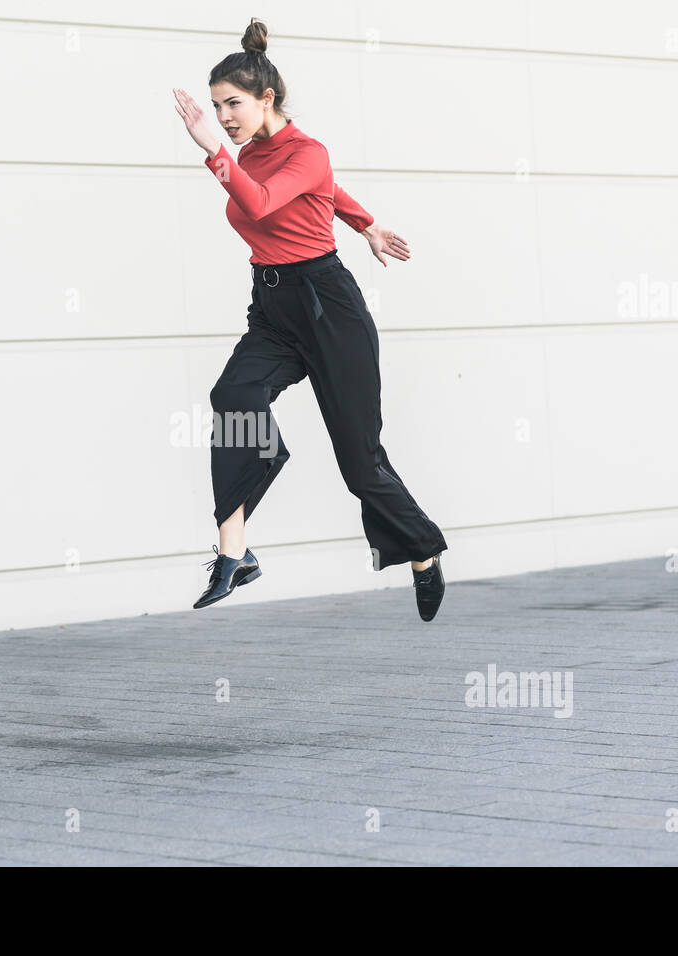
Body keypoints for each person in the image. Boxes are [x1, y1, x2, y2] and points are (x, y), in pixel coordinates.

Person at [172, 18, 447, 621]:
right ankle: (234, 553)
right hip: (272, 306)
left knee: (360, 464)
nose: (222, 117)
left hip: (328, 309)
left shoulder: (301, 151)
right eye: (216, 107)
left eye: (232, 104)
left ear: (266, 97)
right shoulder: (249, 154)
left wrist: (212, 151)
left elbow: (267, 199)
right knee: (234, 395)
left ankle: (423, 551)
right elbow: (321, 194)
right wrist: (367, 223)